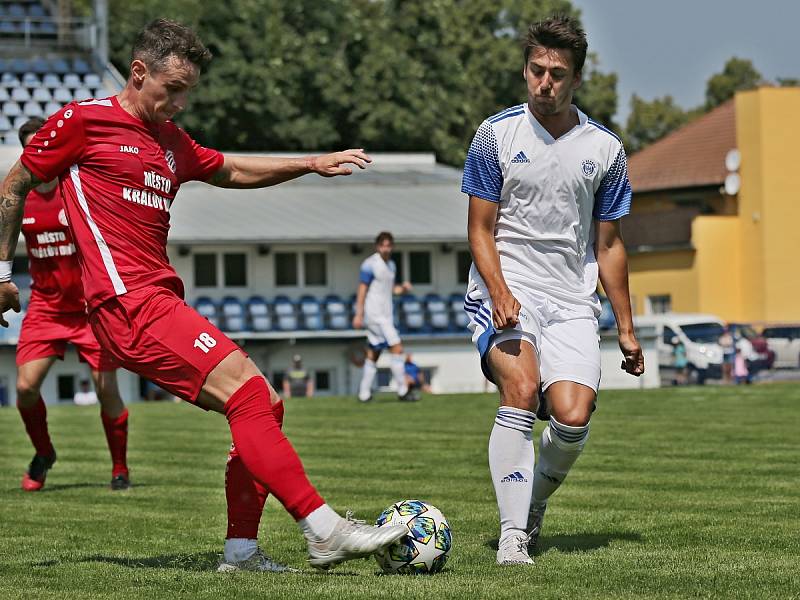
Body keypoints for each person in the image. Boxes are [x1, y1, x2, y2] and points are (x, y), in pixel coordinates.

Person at [0, 19, 405, 572]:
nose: (182, 102)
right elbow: (14, 185)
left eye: (189, 90)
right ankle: (324, 528)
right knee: (250, 396)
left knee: (264, 401)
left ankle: (241, 551)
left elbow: (231, 168)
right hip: (127, 304)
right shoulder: (84, 121)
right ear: (138, 73)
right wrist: (3, 271)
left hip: (157, 300)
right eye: (173, 89)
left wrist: (310, 163)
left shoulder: (170, 141)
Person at [461, 15, 644, 565]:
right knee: (520, 388)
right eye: (537, 71)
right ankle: (513, 535)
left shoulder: (606, 150)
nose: (545, 83)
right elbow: (480, 229)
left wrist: (627, 330)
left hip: (570, 300)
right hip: (508, 286)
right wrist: (498, 290)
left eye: (557, 74)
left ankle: (532, 503)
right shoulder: (495, 135)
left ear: (576, 79)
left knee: (572, 416)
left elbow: (609, 245)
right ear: (525, 70)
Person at [13, 118, 130, 492]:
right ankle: (44, 453)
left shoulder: (76, 189)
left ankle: (119, 469)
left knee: (106, 388)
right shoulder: (20, 197)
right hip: (45, 309)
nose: (41, 151)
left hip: (89, 310)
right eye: (33, 147)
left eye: (45, 143)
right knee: (25, 388)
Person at [352, 232, 412, 402]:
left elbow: (392, 289)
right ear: (377, 246)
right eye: (383, 245)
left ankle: (364, 394)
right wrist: (359, 313)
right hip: (375, 315)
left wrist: (404, 289)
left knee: (374, 353)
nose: (386, 248)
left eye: (388, 245)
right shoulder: (370, 264)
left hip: (385, 315)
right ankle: (403, 391)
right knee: (397, 347)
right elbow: (362, 289)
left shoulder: (391, 265)